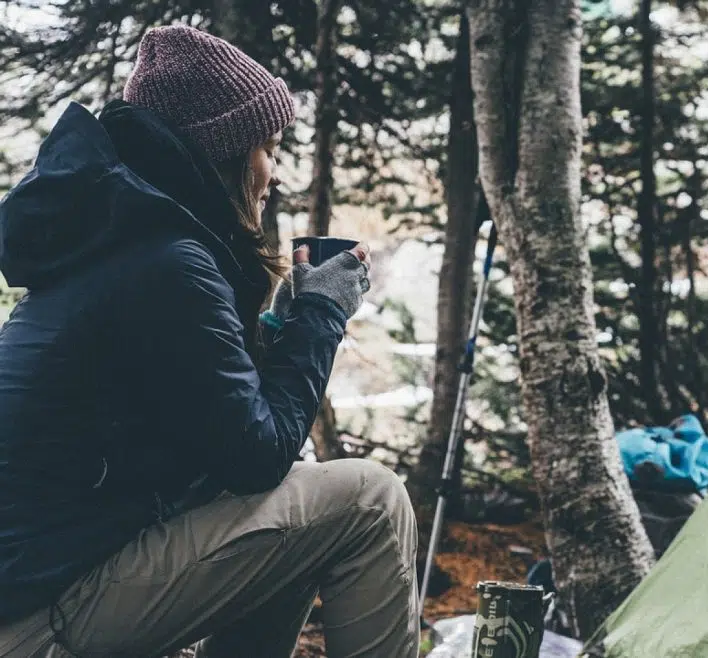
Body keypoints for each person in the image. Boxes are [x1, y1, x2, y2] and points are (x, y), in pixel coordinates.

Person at [0, 25, 419, 657]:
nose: (272, 174)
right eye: (268, 149)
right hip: (40, 618)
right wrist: (322, 315)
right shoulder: (169, 263)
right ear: (222, 151)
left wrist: (278, 327)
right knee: (370, 501)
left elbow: (227, 443)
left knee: (301, 514)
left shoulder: (115, 246)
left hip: (37, 589)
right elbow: (256, 457)